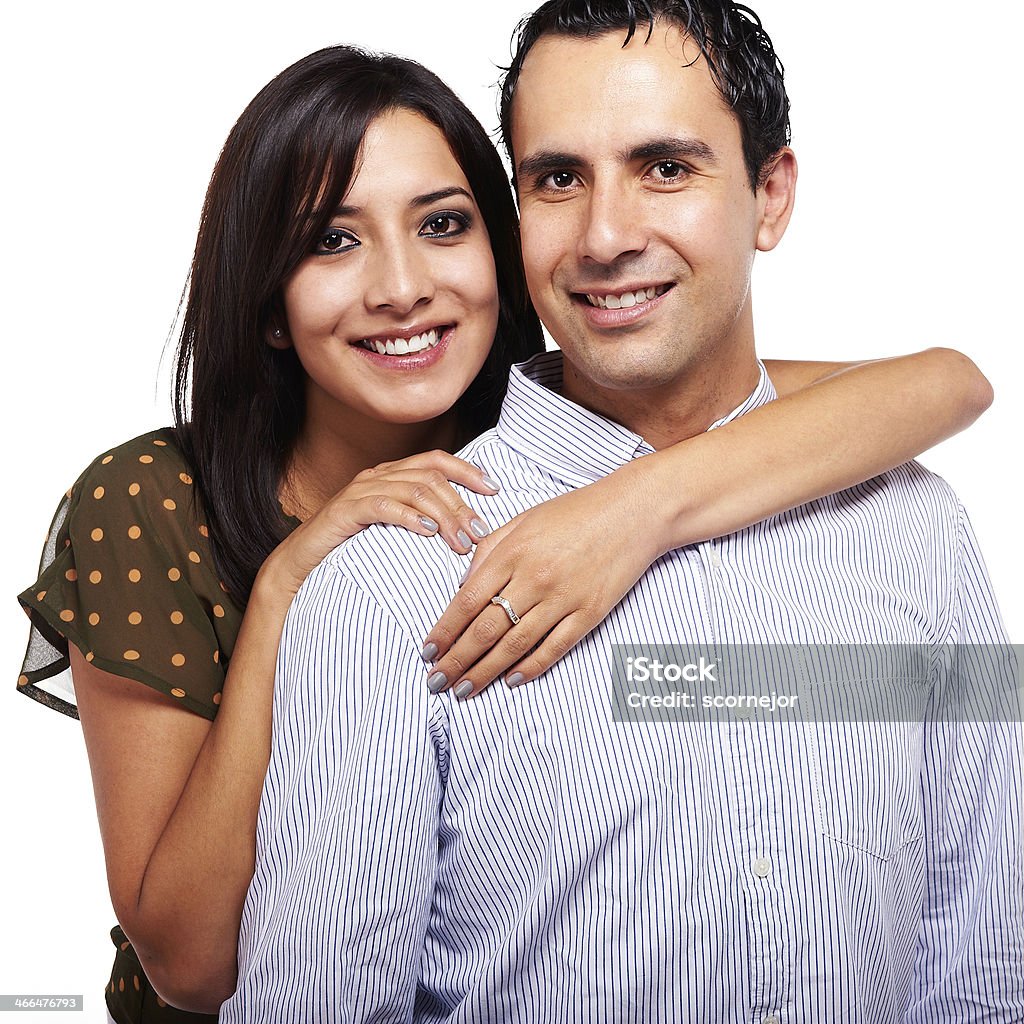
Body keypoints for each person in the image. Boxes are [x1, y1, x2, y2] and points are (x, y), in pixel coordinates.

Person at [16, 40, 995, 1024]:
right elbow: (192, 963)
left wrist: (627, 509)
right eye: (330, 240)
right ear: (268, 297)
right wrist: (285, 588)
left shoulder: (559, 416)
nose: (401, 289)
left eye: (443, 224)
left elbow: (944, 382)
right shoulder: (160, 502)